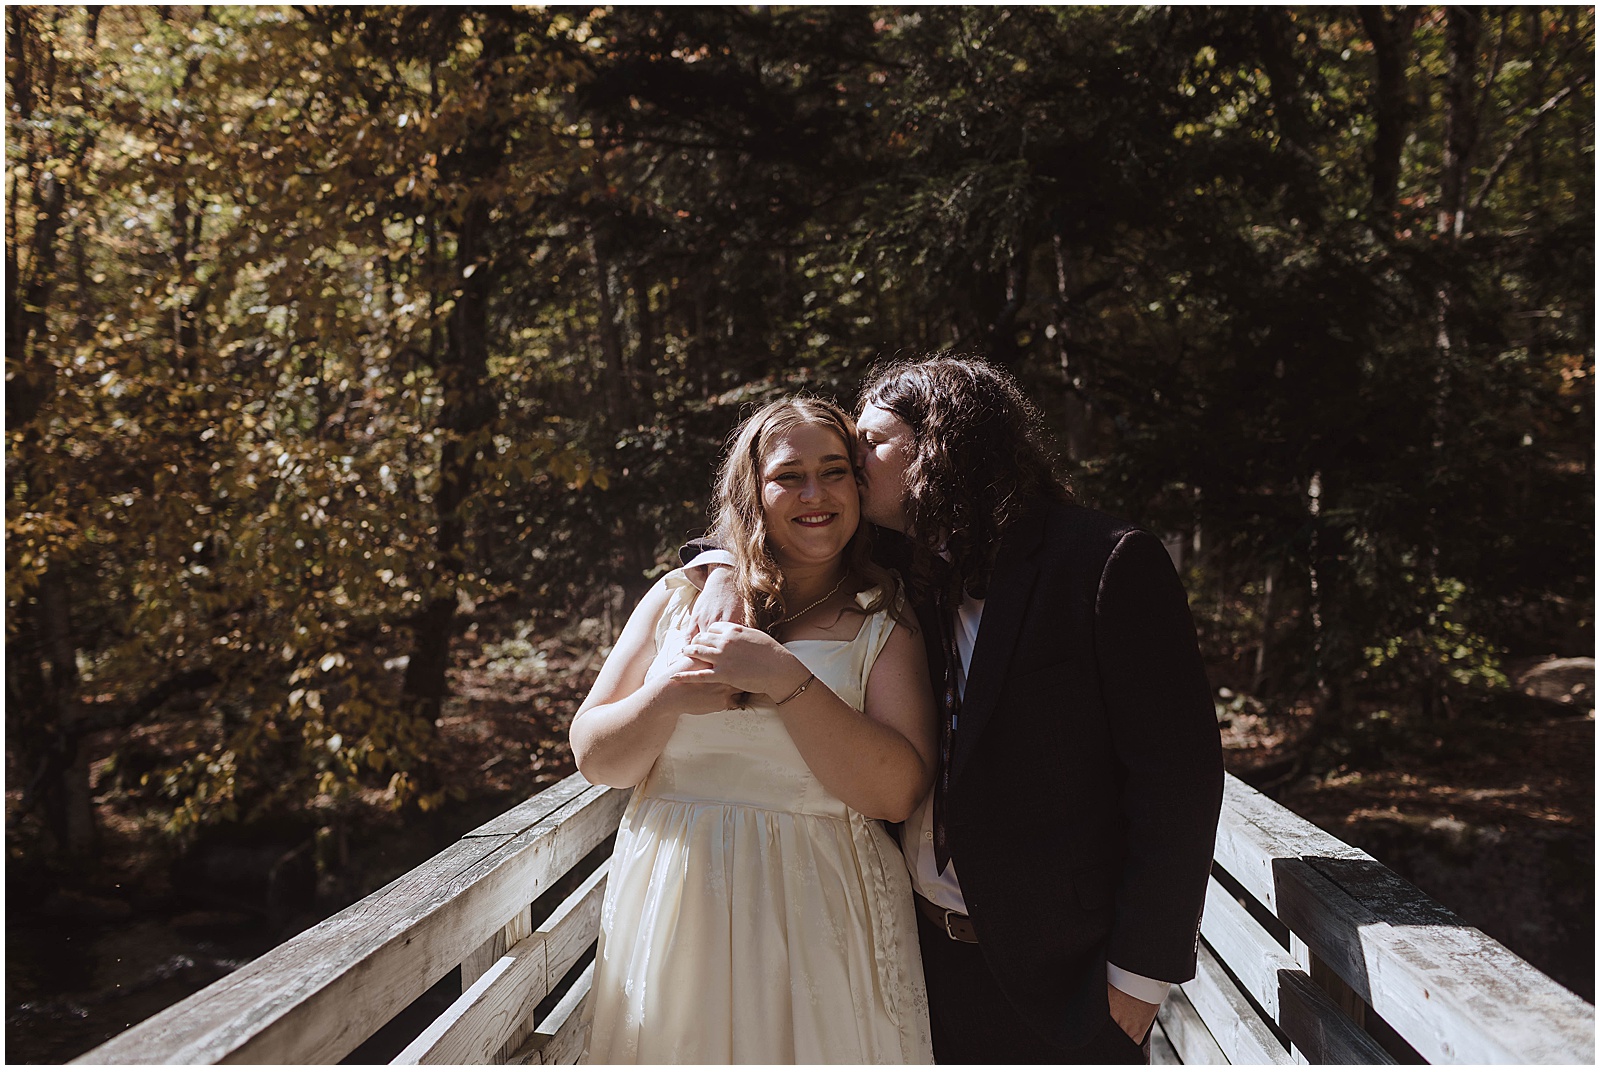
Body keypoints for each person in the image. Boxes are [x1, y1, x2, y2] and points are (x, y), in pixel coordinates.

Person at [686, 355, 1224, 1063]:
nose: (851, 460)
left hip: (1068, 975)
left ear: (941, 440)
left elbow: (1178, 777)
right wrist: (718, 565)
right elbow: (776, 522)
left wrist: (1143, 974)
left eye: (870, 443)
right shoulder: (897, 566)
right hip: (917, 950)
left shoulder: (1104, 562)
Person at [571, 397, 937, 1063]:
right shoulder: (678, 599)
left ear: (859, 487)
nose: (814, 494)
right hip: (678, 902)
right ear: (752, 489)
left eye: (833, 472)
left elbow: (896, 795)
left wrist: (783, 679)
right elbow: (597, 758)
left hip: (821, 911)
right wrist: (667, 697)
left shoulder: (884, 619)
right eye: (788, 476)